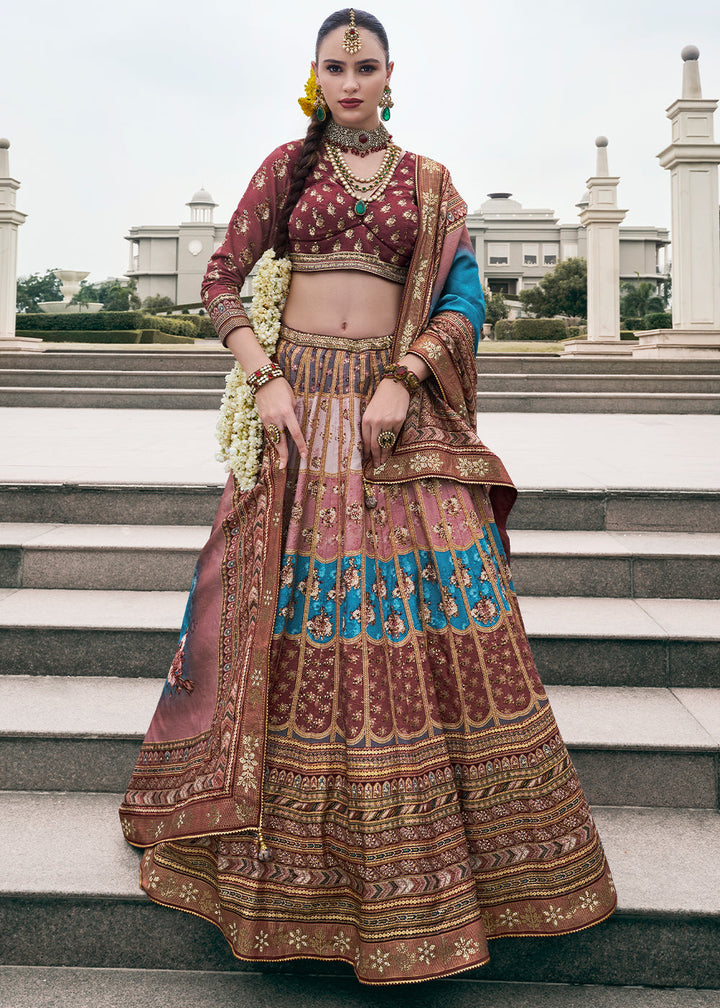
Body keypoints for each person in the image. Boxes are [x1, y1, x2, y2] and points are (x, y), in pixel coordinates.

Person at [120, 8, 616, 986]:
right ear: (317, 78)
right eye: (334, 65)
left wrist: (406, 375)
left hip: (394, 416)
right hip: (298, 413)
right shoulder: (285, 170)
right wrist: (264, 378)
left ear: (392, 78)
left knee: (425, 623)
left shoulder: (430, 184)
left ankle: (450, 864)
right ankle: (273, 865)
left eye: (367, 65)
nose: (351, 80)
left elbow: (464, 296)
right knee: (289, 622)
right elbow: (223, 281)